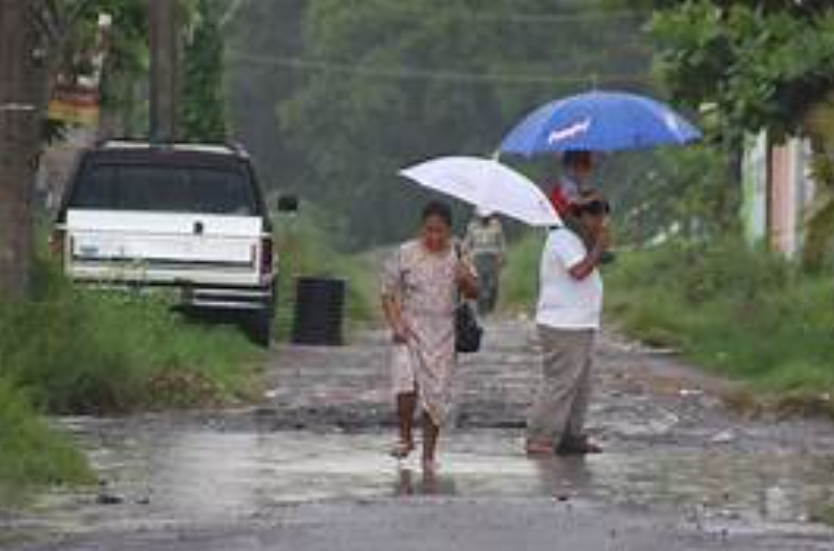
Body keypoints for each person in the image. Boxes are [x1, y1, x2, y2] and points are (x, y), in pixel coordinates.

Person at [381, 201, 479, 470]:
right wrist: (395, 324)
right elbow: (388, 292)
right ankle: (404, 436)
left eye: (440, 231)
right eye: (429, 230)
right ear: (421, 228)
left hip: (444, 332)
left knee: (435, 395)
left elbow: (474, 293)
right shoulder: (405, 253)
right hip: (410, 327)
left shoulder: (460, 253)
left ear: (449, 231)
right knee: (405, 382)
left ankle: (429, 454)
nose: (434, 237)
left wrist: (465, 280)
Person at [525, 192, 610, 456]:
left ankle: (571, 436)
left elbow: (591, 264)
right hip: (563, 324)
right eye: (593, 213)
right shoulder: (562, 239)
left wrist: (598, 244)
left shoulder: (577, 240)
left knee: (581, 385)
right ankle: (540, 438)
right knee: (560, 383)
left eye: (602, 213)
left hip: (580, 323)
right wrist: (599, 247)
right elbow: (579, 271)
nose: (599, 219)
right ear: (577, 215)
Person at [463, 210, 506, 315]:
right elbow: (467, 242)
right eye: (482, 216)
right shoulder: (472, 226)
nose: (484, 218)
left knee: (493, 285)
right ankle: (481, 309)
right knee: (480, 284)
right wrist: (465, 254)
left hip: (492, 258)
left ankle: (491, 306)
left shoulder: (496, 225)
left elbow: (501, 242)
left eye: (487, 216)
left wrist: (502, 256)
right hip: (478, 258)